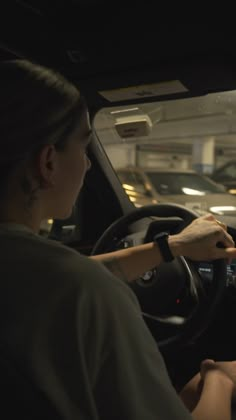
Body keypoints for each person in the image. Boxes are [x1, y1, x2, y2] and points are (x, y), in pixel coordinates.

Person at [0, 59, 236, 420]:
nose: (89, 165)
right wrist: (219, 379)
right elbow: (75, 282)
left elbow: (72, 275)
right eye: (83, 148)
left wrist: (170, 248)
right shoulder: (82, 293)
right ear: (48, 163)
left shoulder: (42, 277)